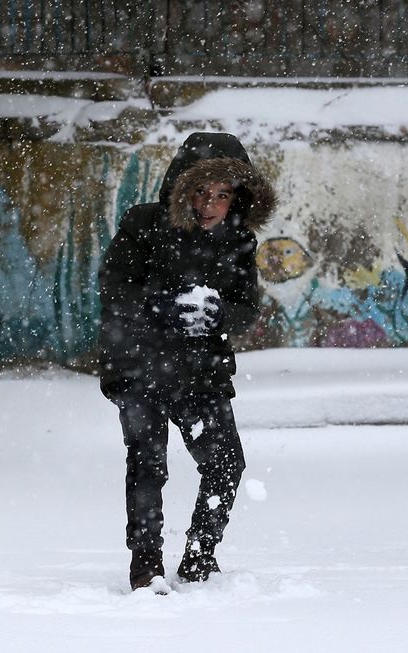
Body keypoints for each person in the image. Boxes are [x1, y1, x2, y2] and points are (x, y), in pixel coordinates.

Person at [98, 133, 277, 591]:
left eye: (221, 194)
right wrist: (162, 306)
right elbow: (113, 287)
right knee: (147, 464)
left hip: (201, 371)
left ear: (238, 197)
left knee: (225, 464)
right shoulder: (144, 224)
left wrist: (219, 313)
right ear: (181, 188)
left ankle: (200, 557)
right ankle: (146, 565)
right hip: (140, 365)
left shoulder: (238, 240)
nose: (209, 204)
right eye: (200, 191)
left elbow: (246, 306)